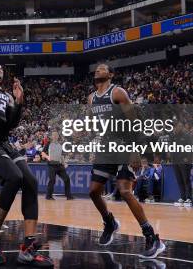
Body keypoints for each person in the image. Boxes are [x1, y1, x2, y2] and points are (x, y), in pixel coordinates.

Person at [0, 64, 53, 267]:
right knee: (14, 177)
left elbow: (11, 124)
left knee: (31, 181)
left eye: (1, 67)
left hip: (3, 142)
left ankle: (27, 247)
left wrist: (18, 102)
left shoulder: (7, 95)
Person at [87, 64, 165, 259]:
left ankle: (152, 237)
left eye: (102, 68)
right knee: (93, 191)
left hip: (125, 145)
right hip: (106, 148)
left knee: (124, 191)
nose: (98, 70)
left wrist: (135, 151)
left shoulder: (118, 92)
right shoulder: (91, 98)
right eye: (96, 69)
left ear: (111, 74)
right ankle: (109, 222)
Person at [42, 131, 73, 200]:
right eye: (54, 135)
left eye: (57, 135)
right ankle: (48, 196)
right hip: (51, 165)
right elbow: (43, 153)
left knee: (67, 179)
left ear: (58, 136)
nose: (55, 136)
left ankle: (69, 196)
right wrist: (47, 157)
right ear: (52, 136)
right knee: (52, 180)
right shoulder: (48, 143)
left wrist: (64, 163)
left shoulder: (60, 144)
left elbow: (61, 156)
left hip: (59, 165)